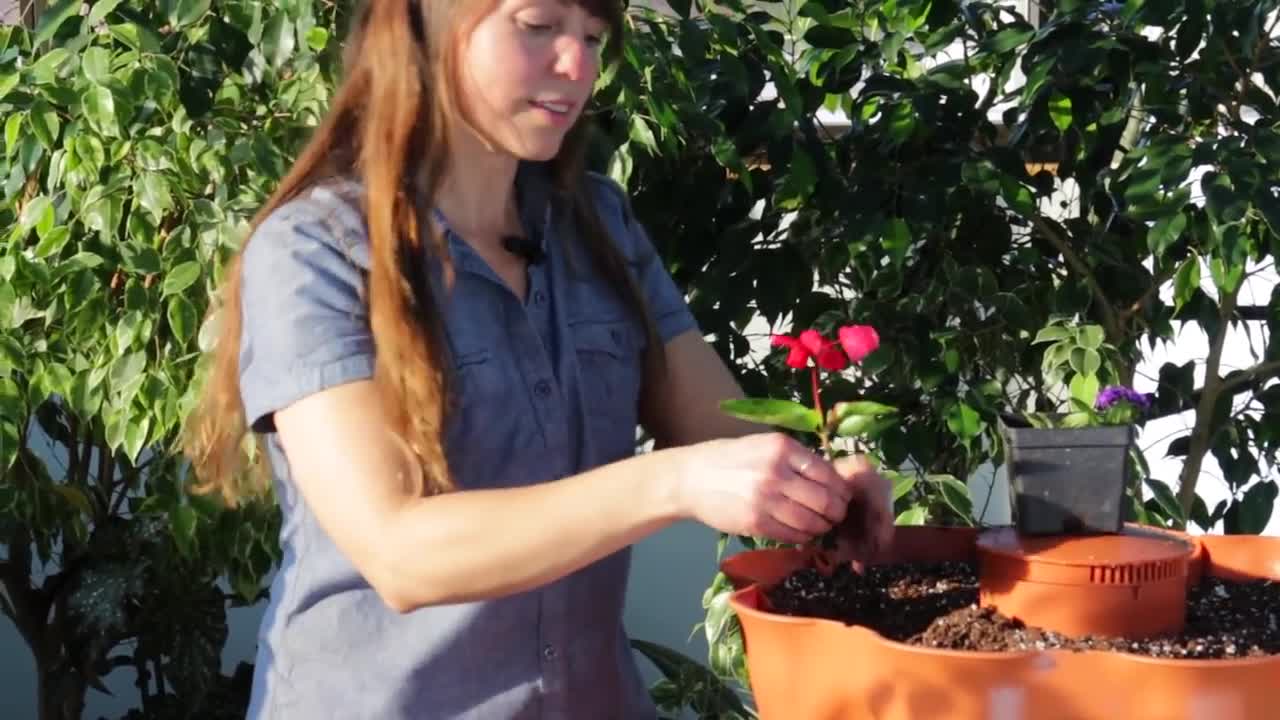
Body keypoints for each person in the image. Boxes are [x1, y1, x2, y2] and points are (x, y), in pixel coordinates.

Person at [184, 0, 892, 717]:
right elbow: (398, 552)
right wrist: (673, 481)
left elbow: (720, 434)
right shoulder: (317, 250)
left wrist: (819, 490)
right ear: (425, 25)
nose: (578, 65)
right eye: (538, 25)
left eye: (592, 36)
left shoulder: (598, 224)